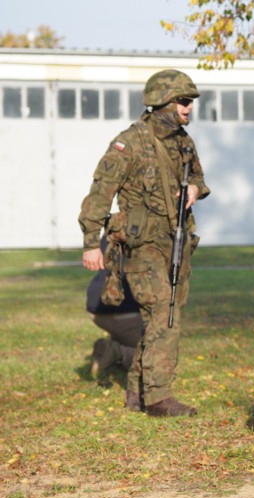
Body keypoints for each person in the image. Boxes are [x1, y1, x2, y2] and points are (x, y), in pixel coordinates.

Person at [78, 69, 210, 417]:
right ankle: (158, 397)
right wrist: (92, 242)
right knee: (164, 315)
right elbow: (100, 193)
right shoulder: (130, 142)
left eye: (190, 102)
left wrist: (196, 187)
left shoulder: (182, 141)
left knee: (163, 315)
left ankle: (136, 393)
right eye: (183, 101)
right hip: (141, 246)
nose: (188, 108)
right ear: (162, 102)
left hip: (176, 242)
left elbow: (196, 174)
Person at [87, 238, 143, 378]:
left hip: (96, 306)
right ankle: (118, 351)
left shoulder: (113, 226)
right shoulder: (149, 227)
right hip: (126, 312)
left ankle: (117, 341)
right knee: (157, 358)